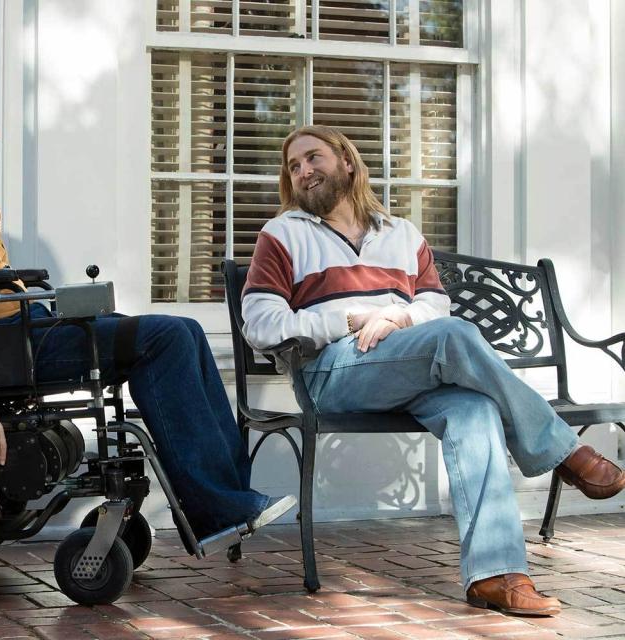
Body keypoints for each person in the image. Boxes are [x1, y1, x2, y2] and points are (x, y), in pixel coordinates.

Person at [0, 74, 295, 547]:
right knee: (166, 339)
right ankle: (216, 508)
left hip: (22, 327)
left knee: (186, 329)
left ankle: (232, 500)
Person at [241, 124, 625, 616]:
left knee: (475, 409)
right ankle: (565, 451)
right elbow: (262, 323)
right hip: (332, 374)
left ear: (348, 162)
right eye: (294, 167)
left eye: (313, 159)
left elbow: (434, 306)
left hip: (410, 364)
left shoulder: (402, 235)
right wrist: (349, 319)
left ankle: (495, 574)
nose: (303, 173)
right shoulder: (283, 234)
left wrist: (397, 316)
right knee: (456, 337)